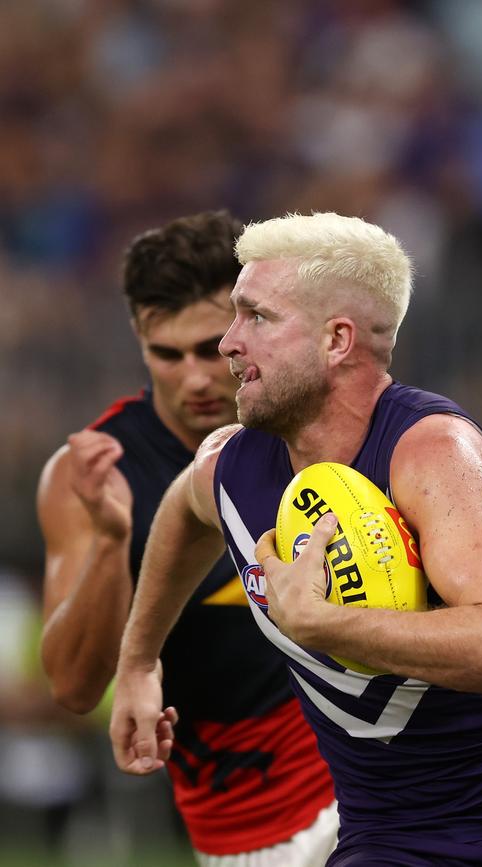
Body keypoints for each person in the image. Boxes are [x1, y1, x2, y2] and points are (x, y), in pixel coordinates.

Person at [109, 212, 482, 866]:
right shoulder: (230, 465)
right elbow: (182, 515)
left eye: (256, 317)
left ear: (337, 339)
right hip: (389, 832)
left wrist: (326, 622)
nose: (227, 342)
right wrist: (139, 662)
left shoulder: (434, 451)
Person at [37, 211, 337, 867]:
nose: (196, 378)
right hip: (245, 826)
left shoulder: (319, 419)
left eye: (211, 348)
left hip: (364, 779)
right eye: (166, 355)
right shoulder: (92, 474)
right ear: (139, 340)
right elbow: (75, 686)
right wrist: (115, 542)